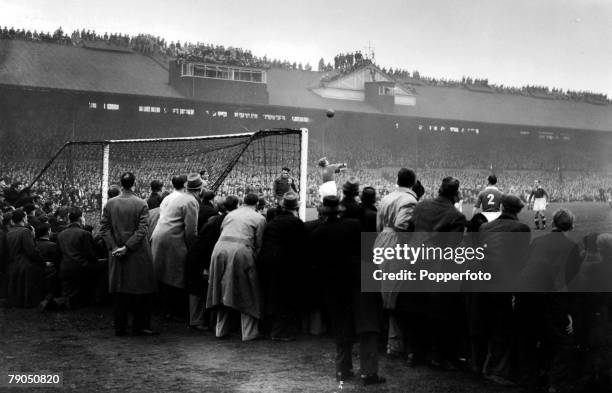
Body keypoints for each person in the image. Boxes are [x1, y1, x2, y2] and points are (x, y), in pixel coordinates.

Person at [310, 195, 385, 385]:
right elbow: (368, 252)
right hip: (358, 277)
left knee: (341, 327)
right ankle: (369, 373)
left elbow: (316, 265)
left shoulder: (317, 233)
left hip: (334, 284)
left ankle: (343, 370)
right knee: (367, 326)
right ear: (340, 210)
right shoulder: (353, 225)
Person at [516, 209, 582, 391]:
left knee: (529, 338)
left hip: (526, 296)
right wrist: (567, 313)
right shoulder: (572, 247)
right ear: (571, 225)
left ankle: (529, 378)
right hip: (547, 298)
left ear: (553, 223)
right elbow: (569, 283)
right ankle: (555, 382)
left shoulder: (537, 241)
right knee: (564, 341)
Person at [469, 195, 531, 385]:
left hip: (482, 281)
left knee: (482, 324)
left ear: (502, 206)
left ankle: (477, 366)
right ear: (518, 210)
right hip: (503, 283)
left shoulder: (485, 227)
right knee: (502, 326)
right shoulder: (521, 229)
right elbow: (521, 259)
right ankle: (497, 370)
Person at [100, 172, 158, 336]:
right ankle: (139, 327)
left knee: (119, 291)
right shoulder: (141, 203)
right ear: (135, 184)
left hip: (116, 253)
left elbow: (104, 229)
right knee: (139, 290)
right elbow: (142, 231)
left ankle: (120, 327)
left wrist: (114, 247)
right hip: (137, 253)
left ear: (121, 184)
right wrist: (127, 247)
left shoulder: (110, 204)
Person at [207, 193, 266, 341]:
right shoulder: (259, 218)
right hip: (240, 250)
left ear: (243, 201)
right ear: (257, 203)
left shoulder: (231, 214)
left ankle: (220, 330)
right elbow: (259, 245)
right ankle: (249, 333)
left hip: (219, 249)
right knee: (248, 290)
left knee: (222, 289)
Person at [374, 168, 418, 359]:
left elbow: (378, 226)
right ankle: (394, 344)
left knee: (384, 292)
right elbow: (402, 226)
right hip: (396, 243)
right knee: (394, 296)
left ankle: (385, 339)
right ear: (413, 182)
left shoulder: (387, 197)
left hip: (382, 239)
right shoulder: (409, 200)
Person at [151, 173, 201, 322]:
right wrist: (191, 248)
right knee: (176, 276)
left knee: (162, 275)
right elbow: (191, 230)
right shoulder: (191, 201)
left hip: (158, 236)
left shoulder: (168, 197)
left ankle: (164, 309)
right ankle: (175, 312)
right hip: (173, 239)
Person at [185, 196, 239, 331]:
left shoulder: (216, 219)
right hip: (201, 259)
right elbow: (209, 245)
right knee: (199, 290)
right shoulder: (223, 221)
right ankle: (197, 321)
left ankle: (201, 320)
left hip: (198, 256)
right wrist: (206, 266)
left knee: (200, 289)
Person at [259, 191, 306, 341]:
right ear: (295, 207)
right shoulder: (296, 223)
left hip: (267, 261)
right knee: (285, 297)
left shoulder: (273, 221)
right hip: (285, 263)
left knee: (271, 295)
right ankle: (280, 332)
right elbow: (301, 247)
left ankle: (269, 328)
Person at [56, 207, 100, 308]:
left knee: (68, 293)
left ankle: (62, 302)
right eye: (83, 217)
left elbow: (58, 254)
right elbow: (91, 255)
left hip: (65, 268)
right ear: (80, 219)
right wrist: (97, 260)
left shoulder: (61, 234)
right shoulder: (85, 234)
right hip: (81, 267)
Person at [6, 209, 45, 308]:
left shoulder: (9, 232)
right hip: (24, 265)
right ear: (23, 218)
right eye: (26, 217)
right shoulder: (25, 231)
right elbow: (32, 251)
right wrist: (43, 262)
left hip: (12, 265)